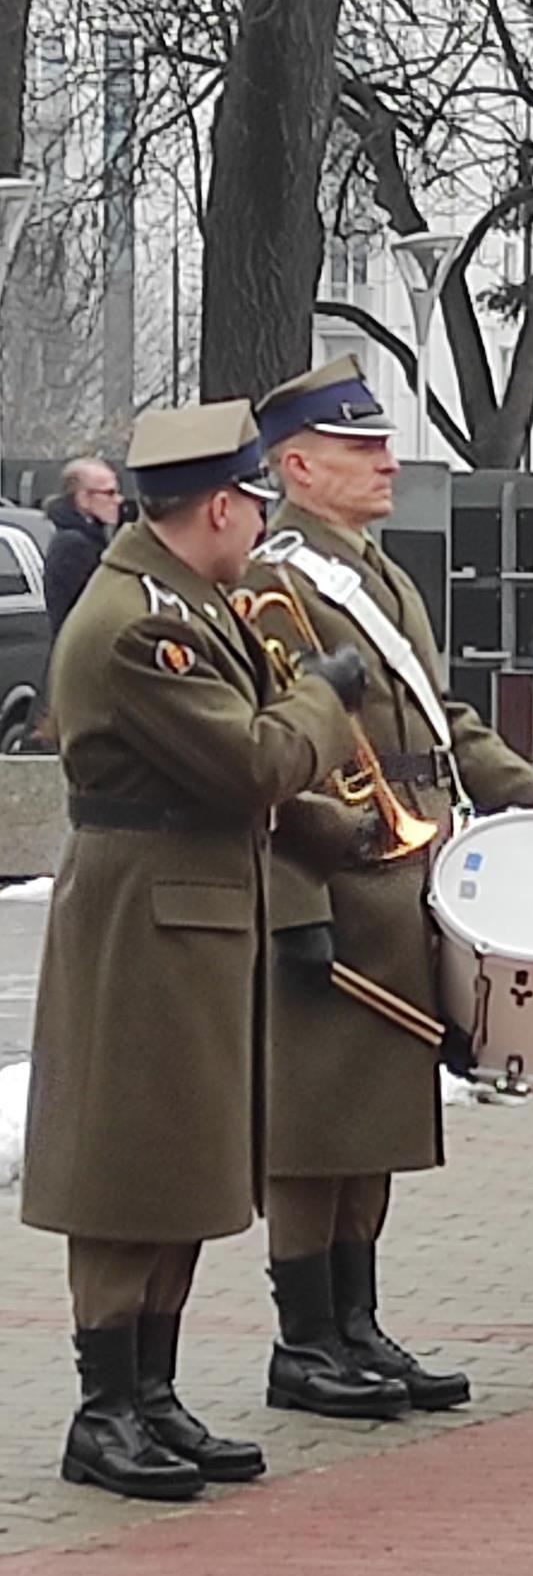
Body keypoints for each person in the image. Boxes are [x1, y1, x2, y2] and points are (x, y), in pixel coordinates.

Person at [244, 357, 533, 1420]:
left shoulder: (379, 575)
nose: (386, 460)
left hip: (407, 869)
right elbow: (271, 763)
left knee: (377, 1126)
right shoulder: (280, 586)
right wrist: (299, 910)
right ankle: (304, 1338)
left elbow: (443, 726)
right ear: (298, 466)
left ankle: (357, 1323)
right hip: (333, 872)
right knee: (316, 1129)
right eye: (361, 448)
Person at [20, 400, 360, 1500]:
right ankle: (104, 1406)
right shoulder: (140, 623)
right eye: (255, 503)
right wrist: (324, 696)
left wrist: (343, 831)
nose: (261, 523)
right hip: (147, 914)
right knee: (128, 1163)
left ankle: (152, 1393)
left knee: (185, 1161)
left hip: (198, 902)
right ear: (218, 505)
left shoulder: (188, 603)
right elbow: (251, 757)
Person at [42, 456, 124, 633]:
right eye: (109, 493)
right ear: (83, 498)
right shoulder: (73, 546)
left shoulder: (90, 538)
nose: (118, 500)